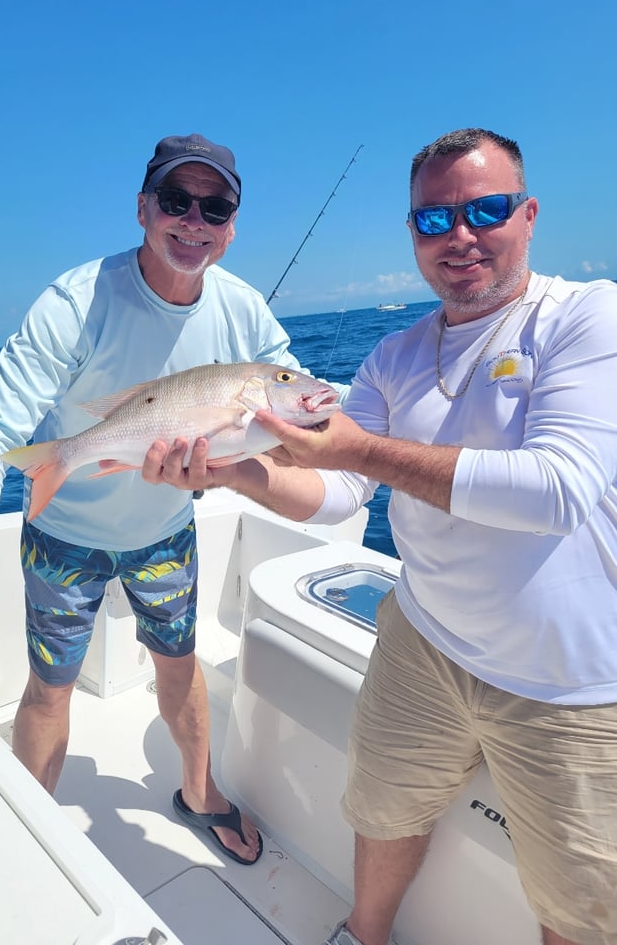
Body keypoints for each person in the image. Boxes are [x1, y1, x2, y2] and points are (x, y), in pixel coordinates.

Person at [142, 128, 617, 943]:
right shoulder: (394, 357)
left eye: (486, 211)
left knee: (579, 906)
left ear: (529, 215)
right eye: (435, 220)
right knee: (381, 810)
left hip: (571, 682)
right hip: (424, 640)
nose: (460, 236)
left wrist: (360, 449)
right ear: (412, 235)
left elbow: (560, 489)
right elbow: (337, 495)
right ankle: (364, 933)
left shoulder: (587, 316)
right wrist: (232, 474)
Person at [0, 131, 329, 866]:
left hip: (166, 536)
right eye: (176, 201)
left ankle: (200, 794)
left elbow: (307, 408)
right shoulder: (74, 302)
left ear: (232, 227)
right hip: (64, 538)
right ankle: (34, 832)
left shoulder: (243, 312)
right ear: (144, 208)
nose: (193, 221)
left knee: (180, 667)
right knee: (51, 688)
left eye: (215, 208)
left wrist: (257, 461)